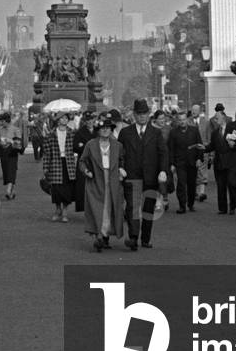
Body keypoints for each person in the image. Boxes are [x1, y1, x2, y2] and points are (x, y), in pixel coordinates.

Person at [117, 99, 169, 250]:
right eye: (139, 114)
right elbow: (120, 154)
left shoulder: (156, 133)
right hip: (132, 176)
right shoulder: (125, 133)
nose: (141, 116)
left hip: (151, 177)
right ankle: (133, 238)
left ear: (148, 114)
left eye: (144, 113)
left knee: (148, 210)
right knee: (132, 208)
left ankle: (145, 239)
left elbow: (163, 153)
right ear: (134, 115)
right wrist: (120, 167)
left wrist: (163, 170)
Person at [79, 114, 125, 251]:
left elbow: (122, 160)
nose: (105, 130)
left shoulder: (118, 145)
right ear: (98, 130)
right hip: (96, 180)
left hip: (113, 181)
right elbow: (82, 161)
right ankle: (98, 236)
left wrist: (121, 170)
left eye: (108, 128)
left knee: (109, 207)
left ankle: (105, 236)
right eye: (102, 128)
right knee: (97, 207)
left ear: (111, 130)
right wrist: (86, 171)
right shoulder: (90, 145)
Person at [42, 112, 79, 222]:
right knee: (56, 188)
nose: (64, 120)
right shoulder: (51, 134)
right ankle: (58, 209)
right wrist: (46, 166)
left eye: (66, 118)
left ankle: (65, 211)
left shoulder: (72, 133)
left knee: (67, 187)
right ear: (58, 120)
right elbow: (47, 152)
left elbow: (76, 148)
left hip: (68, 163)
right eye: (62, 118)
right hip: (55, 162)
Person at [167, 107, 204, 213]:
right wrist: (172, 163)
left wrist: (199, 158)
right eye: (180, 120)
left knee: (192, 184)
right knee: (181, 184)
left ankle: (191, 204)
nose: (182, 122)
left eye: (184, 119)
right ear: (178, 121)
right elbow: (171, 149)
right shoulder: (173, 133)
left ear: (187, 120)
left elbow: (199, 145)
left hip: (192, 161)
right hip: (180, 163)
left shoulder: (194, 130)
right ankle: (182, 205)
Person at [206, 104, 236, 215]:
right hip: (219, 162)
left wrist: (233, 145)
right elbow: (212, 146)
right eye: (215, 118)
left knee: (231, 183)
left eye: (217, 118)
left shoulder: (232, 130)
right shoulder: (215, 133)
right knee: (220, 186)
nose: (215, 120)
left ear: (223, 118)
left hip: (231, 162)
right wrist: (203, 149)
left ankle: (233, 205)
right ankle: (222, 208)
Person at [71, 110, 96, 213]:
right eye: (87, 120)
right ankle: (85, 207)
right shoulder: (80, 132)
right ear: (84, 121)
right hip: (84, 161)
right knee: (83, 185)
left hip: (96, 161)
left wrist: (84, 145)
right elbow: (75, 147)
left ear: (93, 120)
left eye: (91, 120)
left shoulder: (98, 131)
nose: (89, 122)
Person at [0, 111, 22, 199]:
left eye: (1, 121)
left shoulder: (15, 129)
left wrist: (10, 141)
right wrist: (1, 143)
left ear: (6, 121)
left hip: (12, 152)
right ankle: (12, 190)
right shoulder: (0, 130)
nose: (0, 122)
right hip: (3, 153)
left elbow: (18, 143)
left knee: (11, 170)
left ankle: (8, 190)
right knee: (6, 172)